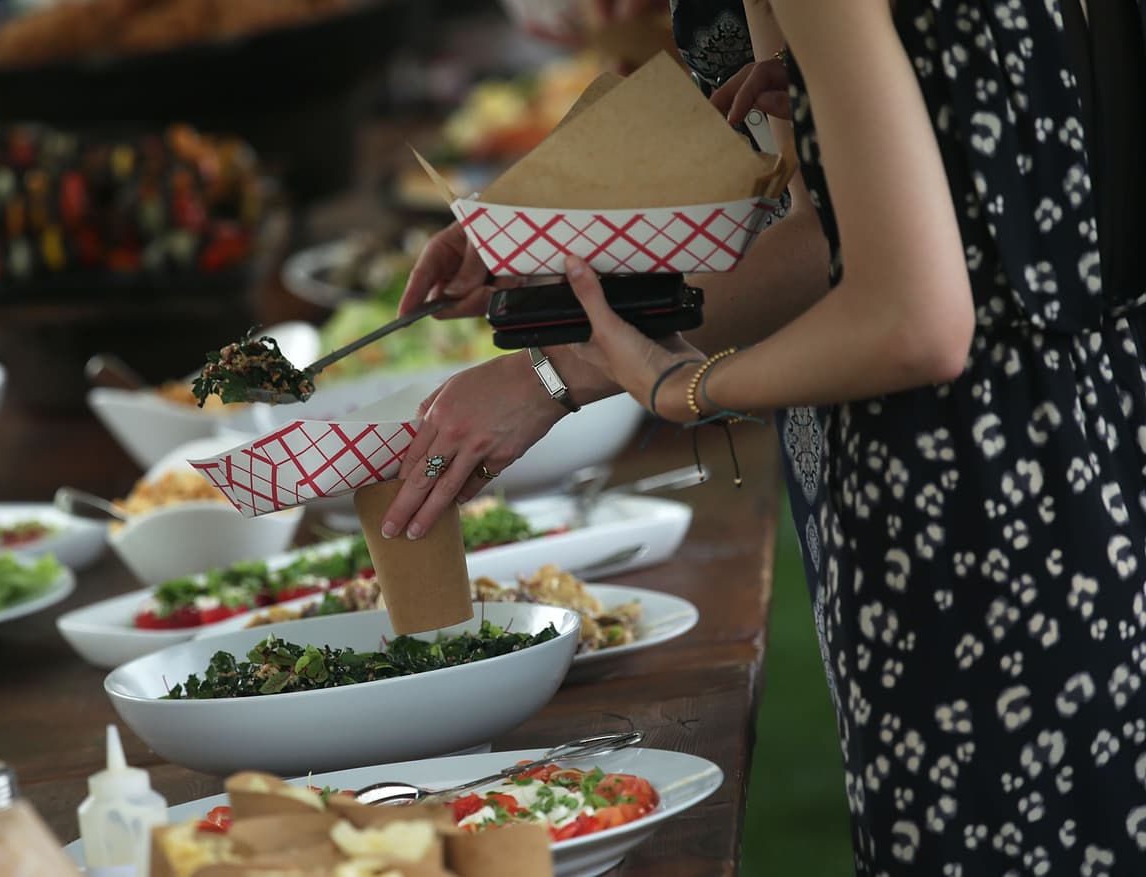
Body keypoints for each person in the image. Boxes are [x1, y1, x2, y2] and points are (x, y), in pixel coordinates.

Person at [381, 0, 1146, 872]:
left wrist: (673, 387)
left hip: (972, 494)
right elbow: (827, 227)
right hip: (1078, 440)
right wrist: (556, 251)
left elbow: (913, 317)